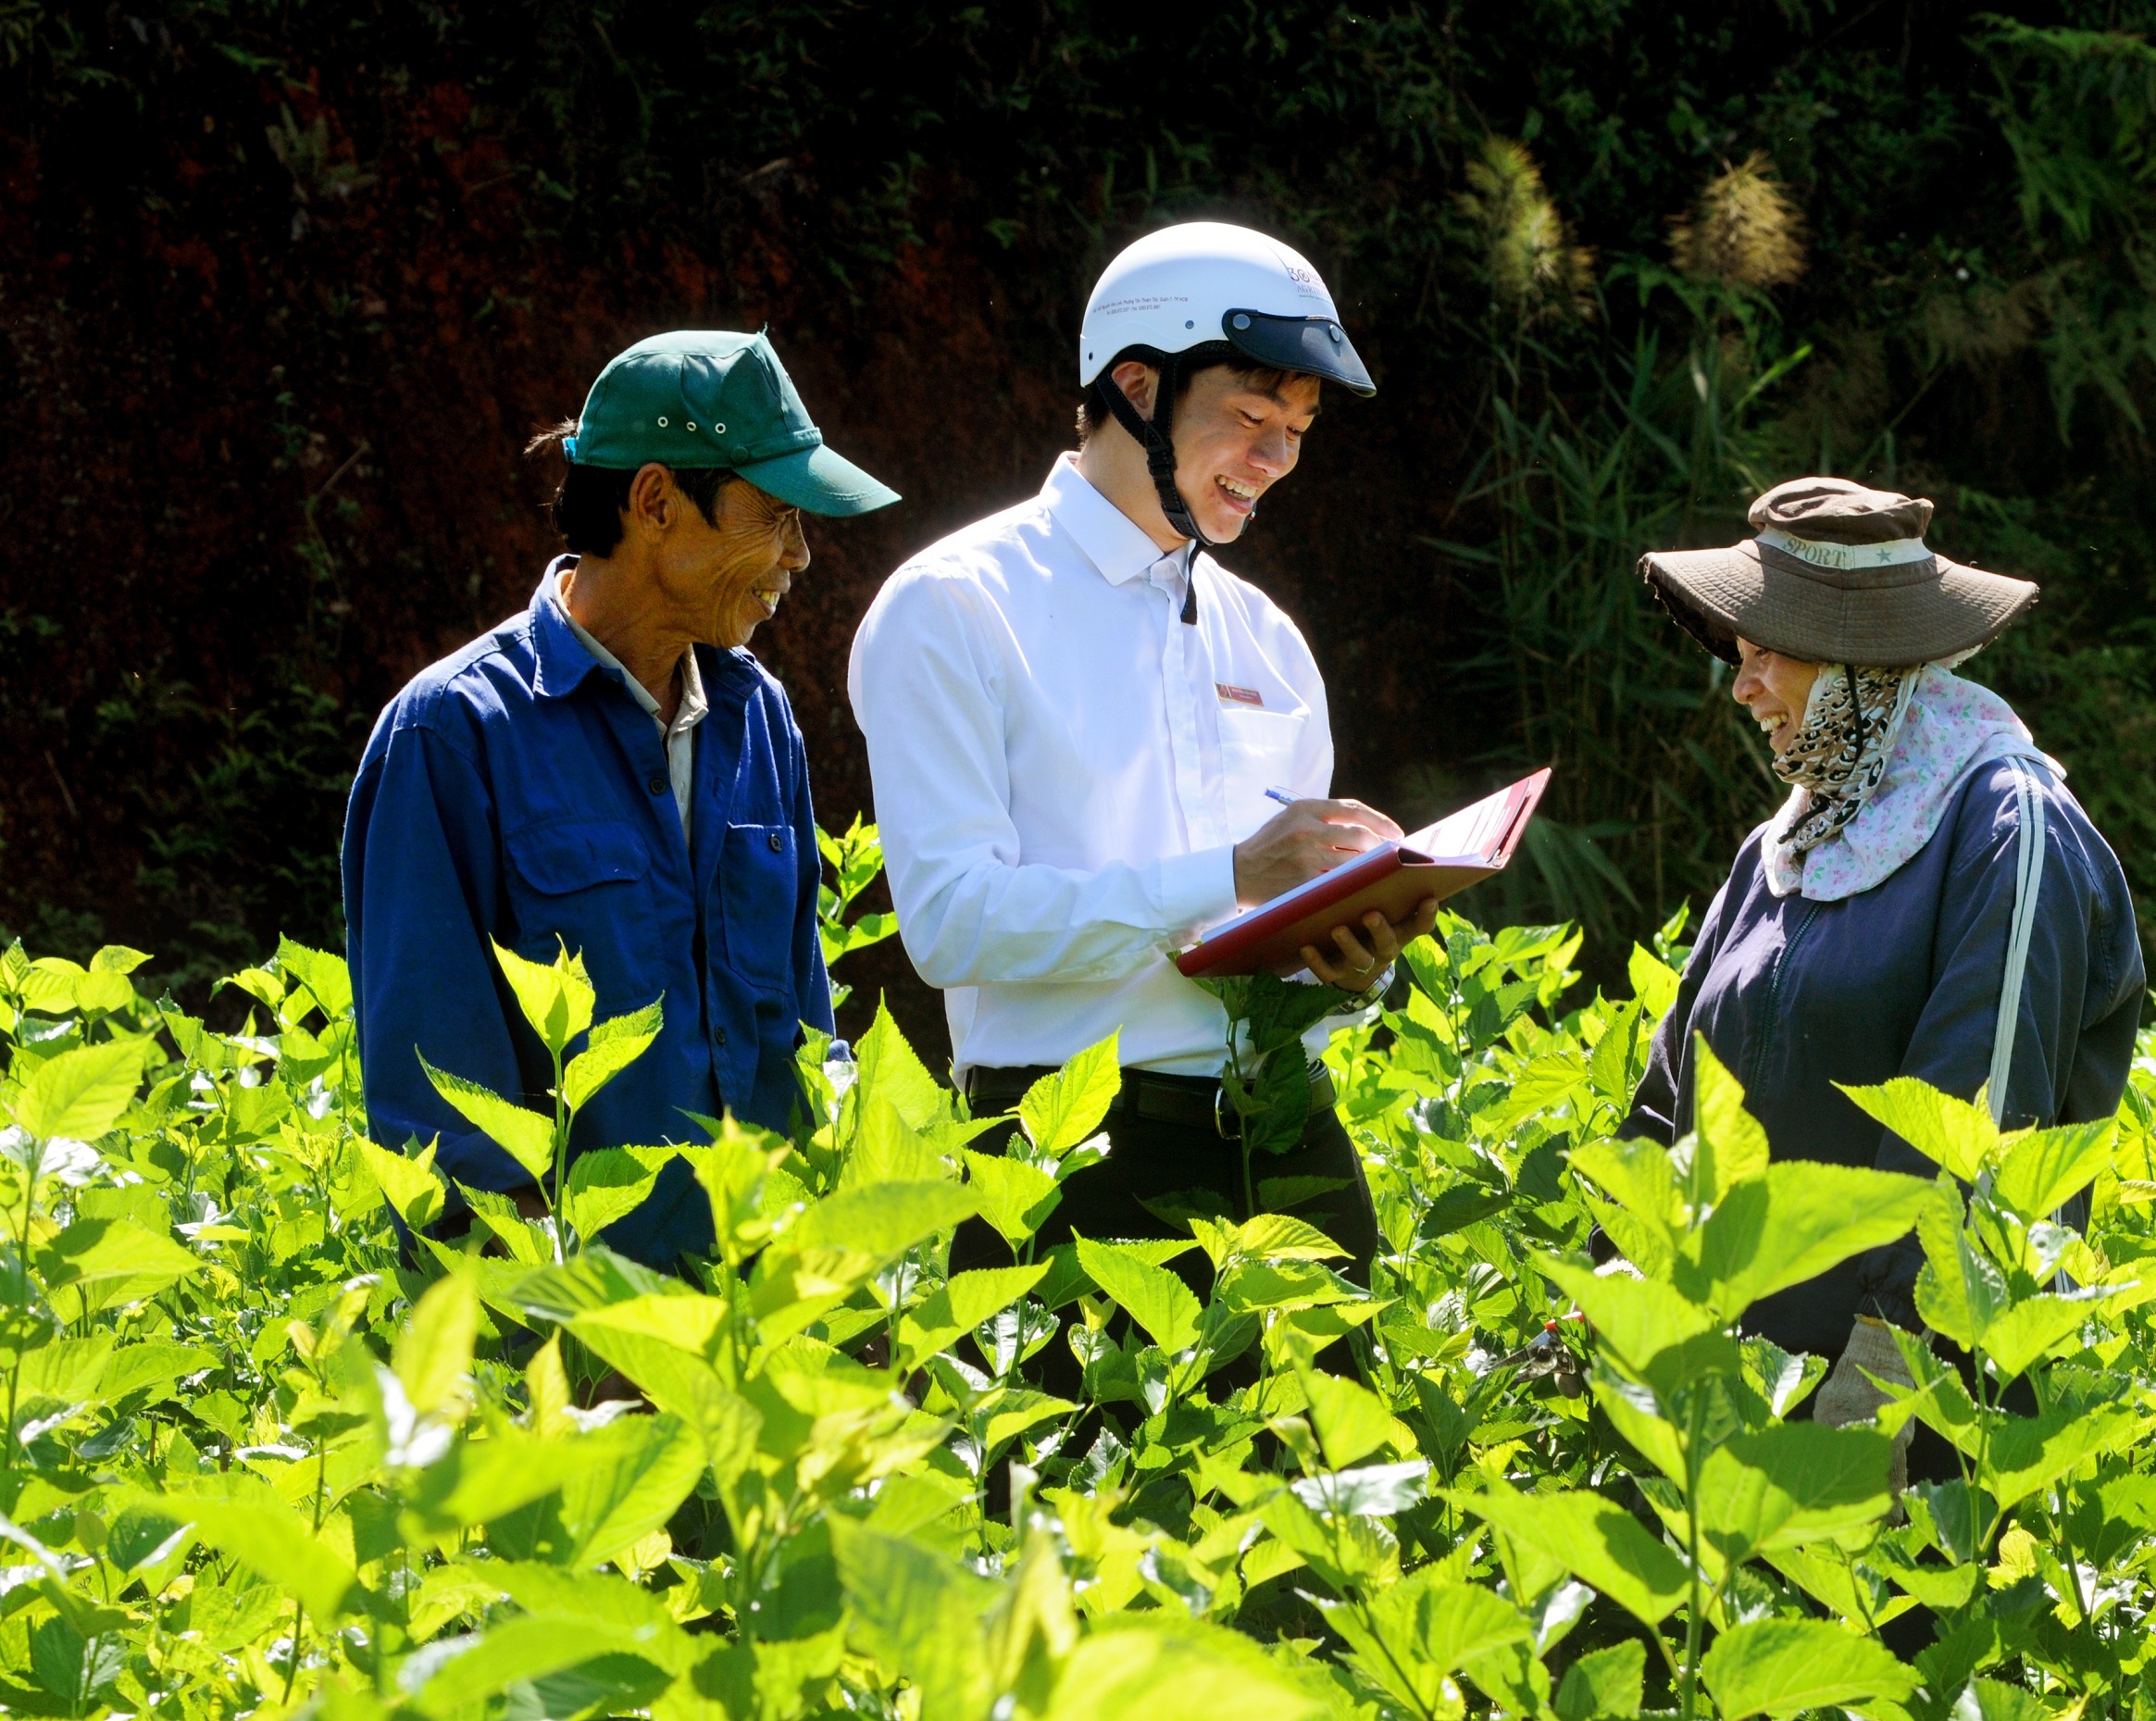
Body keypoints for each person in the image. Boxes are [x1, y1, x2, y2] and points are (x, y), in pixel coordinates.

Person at [850, 221, 1436, 1291]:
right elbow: (950, 922)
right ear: (1133, 386)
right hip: (1075, 1167)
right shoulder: (956, 604)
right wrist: (1231, 874)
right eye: (1252, 416)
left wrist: (1359, 960)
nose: (1276, 459)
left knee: (1356, 1467)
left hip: (1296, 1147)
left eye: (1298, 429)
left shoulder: (1269, 638)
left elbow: (1284, 932)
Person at [344, 330, 898, 1269]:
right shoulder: (452, 734)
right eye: (776, 516)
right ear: (655, 501)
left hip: (760, 1342)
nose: (800, 554)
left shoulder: (756, 717)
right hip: (575, 1373)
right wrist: (575, 1352)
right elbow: (442, 1123)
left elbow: (808, 1048)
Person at [1627, 476, 2145, 1430]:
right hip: (1712, 1414)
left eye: (1764, 654)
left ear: (1852, 656)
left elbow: (1970, 1137)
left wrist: (1881, 1387)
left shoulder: (2008, 830)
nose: (1740, 688)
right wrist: (1606, 1294)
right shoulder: (1786, 846)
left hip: (1894, 1428)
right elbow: (1668, 1105)